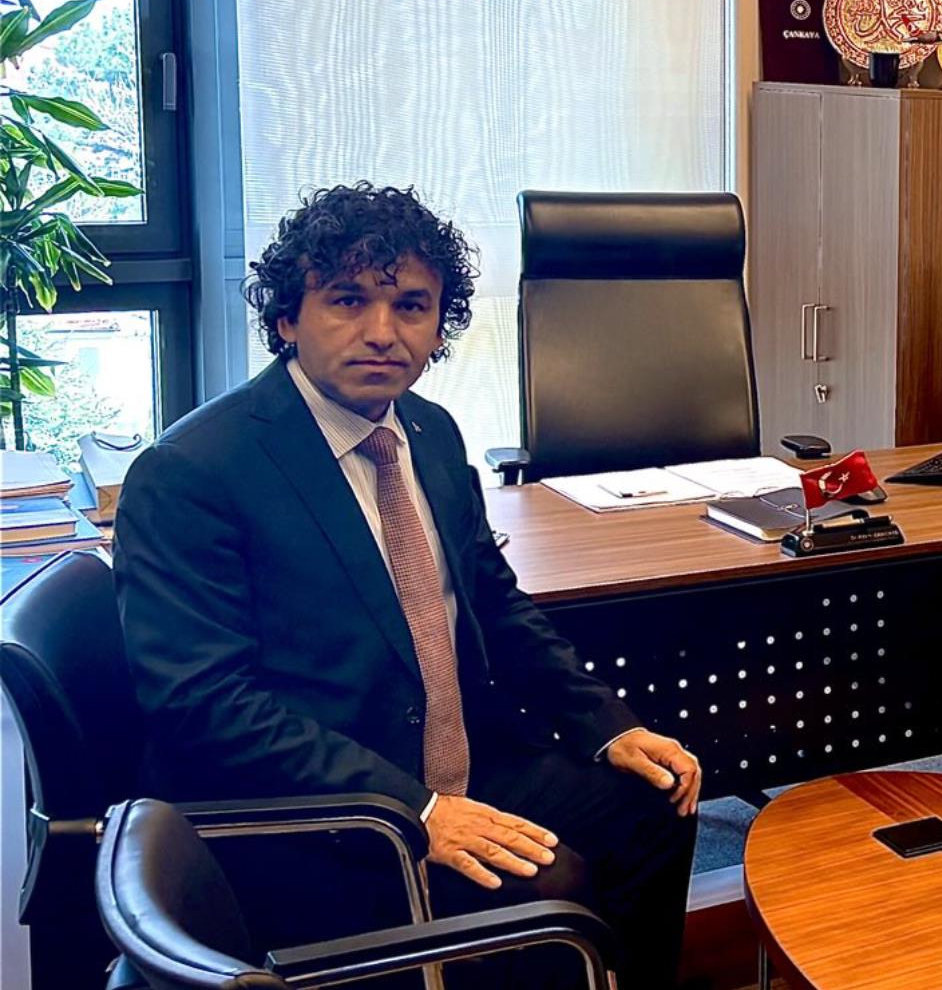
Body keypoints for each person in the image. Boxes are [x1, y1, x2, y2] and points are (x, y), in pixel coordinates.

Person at [113, 183, 700, 987]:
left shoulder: (429, 431)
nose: (383, 332)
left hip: (454, 763)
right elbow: (204, 706)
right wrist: (414, 810)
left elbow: (494, 604)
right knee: (548, 886)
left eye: (412, 306)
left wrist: (606, 725)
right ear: (287, 319)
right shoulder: (193, 472)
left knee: (655, 800)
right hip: (312, 812)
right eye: (348, 300)